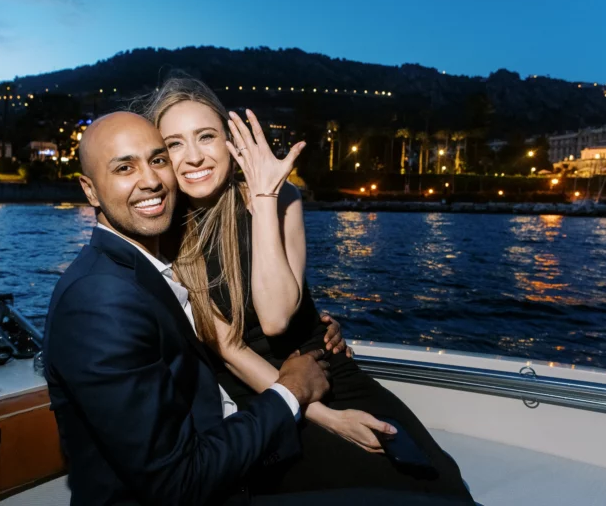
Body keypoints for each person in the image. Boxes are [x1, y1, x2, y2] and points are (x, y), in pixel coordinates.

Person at [144, 77, 474, 500]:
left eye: (205, 136)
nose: (193, 156)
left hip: (330, 369)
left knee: (440, 481)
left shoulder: (283, 197)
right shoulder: (166, 234)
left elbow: (280, 313)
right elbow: (235, 346)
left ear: (231, 141)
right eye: (174, 144)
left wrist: (264, 198)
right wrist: (328, 419)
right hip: (264, 394)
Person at [43, 111, 337, 505]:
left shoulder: (144, 269)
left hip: (233, 456)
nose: (150, 180)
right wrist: (292, 390)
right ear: (90, 190)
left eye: (158, 160)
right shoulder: (99, 300)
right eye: (125, 168)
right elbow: (177, 482)